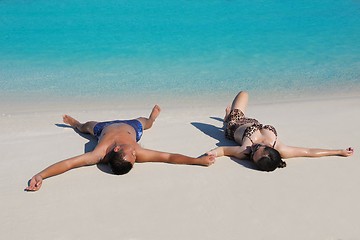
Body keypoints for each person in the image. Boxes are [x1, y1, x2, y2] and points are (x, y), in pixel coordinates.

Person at [26, 105, 215, 191]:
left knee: (86, 128)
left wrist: (40, 175)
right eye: (135, 154)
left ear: (116, 150)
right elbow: (168, 157)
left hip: (103, 128)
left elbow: (69, 164)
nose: (136, 151)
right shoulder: (137, 152)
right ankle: (151, 119)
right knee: (146, 124)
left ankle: (76, 123)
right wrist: (197, 161)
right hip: (132, 126)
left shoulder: (98, 154)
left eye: (131, 153)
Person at [206, 91, 354, 171]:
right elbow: (308, 152)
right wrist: (338, 151)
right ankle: (226, 118)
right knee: (245, 93)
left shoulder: (244, 151)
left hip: (236, 122)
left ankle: (226, 120)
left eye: (253, 155)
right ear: (269, 148)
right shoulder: (281, 148)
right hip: (252, 122)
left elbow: (224, 150)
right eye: (257, 148)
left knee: (242, 94)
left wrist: (213, 153)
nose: (253, 148)